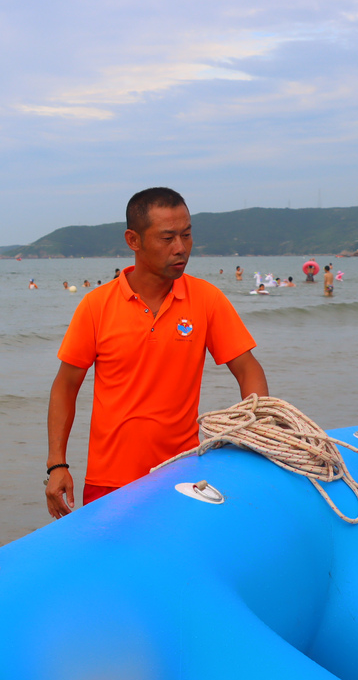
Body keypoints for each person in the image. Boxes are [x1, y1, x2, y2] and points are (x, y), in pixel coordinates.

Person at [45, 187, 268, 517]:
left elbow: (248, 368)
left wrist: (256, 429)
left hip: (182, 476)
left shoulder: (206, 299)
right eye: (167, 238)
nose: (181, 248)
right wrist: (57, 464)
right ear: (133, 240)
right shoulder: (96, 306)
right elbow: (65, 386)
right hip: (109, 482)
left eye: (186, 235)